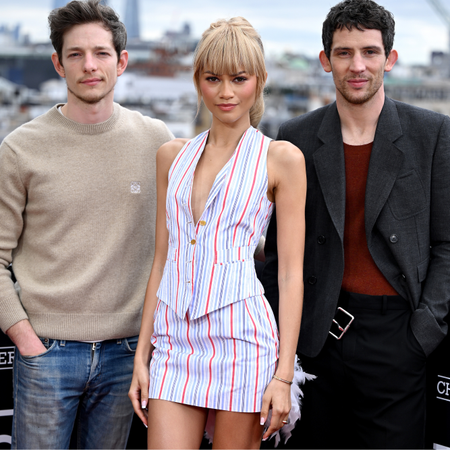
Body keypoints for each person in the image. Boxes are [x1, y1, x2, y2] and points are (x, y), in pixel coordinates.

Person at [263, 0, 450, 448]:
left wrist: (420, 336)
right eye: (344, 53)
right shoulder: (295, 138)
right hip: (314, 341)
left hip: (397, 339)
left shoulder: (433, 134)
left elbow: (447, 245)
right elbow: (275, 255)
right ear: (325, 60)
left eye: (369, 52)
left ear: (390, 58)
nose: (357, 65)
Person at [0, 1, 173, 448]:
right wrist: (24, 336)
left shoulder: (158, 142)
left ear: (122, 61)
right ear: (57, 62)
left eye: (100, 52)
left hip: (128, 353)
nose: (89, 65)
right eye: (75, 54)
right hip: (47, 351)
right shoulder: (21, 149)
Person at [128, 17, 306, 449]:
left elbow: (290, 275)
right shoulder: (171, 156)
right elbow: (162, 259)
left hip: (243, 343)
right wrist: (142, 354)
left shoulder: (281, 159)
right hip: (174, 345)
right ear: (198, 82)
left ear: (258, 81)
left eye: (239, 79)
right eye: (213, 79)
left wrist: (283, 376)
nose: (226, 92)